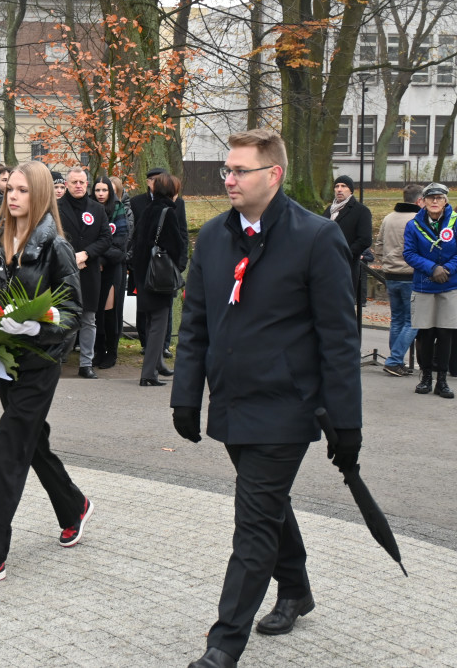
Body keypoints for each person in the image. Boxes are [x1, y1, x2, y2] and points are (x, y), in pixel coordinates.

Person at [171, 129, 362, 668]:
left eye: (239, 171)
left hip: (287, 406)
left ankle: (223, 644)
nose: (227, 178)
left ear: (272, 175)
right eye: (227, 170)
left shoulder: (316, 237)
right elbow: (197, 325)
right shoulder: (210, 237)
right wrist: (186, 396)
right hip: (231, 403)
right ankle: (297, 589)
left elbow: (340, 337)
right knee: (268, 503)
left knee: (252, 521)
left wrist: (347, 424)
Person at [0, 160, 91, 587]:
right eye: (8, 188)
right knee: (31, 441)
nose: (12, 196)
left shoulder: (57, 247)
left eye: (21, 190)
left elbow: (73, 311)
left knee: (9, 446)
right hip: (5, 359)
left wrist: (41, 321)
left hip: (42, 360)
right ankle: (73, 506)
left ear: (40, 196)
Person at [57, 167, 112, 379]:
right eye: (74, 182)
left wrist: (86, 254)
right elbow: (51, 236)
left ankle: (86, 364)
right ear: (67, 185)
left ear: (86, 184)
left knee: (89, 318)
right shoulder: (56, 207)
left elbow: (106, 238)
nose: (78, 186)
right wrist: (71, 256)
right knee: (63, 316)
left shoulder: (97, 209)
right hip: (63, 271)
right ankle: (59, 357)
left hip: (89, 272)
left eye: (82, 182)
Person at [404, 182, 457, 398]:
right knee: (425, 334)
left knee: (445, 334)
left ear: (445, 201)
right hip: (424, 286)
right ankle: (426, 377)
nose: (435, 201)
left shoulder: (455, 223)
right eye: (431, 198)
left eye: (439, 198)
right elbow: (409, 253)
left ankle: (441, 381)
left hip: (449, 285)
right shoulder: (413, 225)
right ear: (423, 202)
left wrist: (447, 269)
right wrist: (432, 268)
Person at [129, 167, 188, 359]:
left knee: (153, 321)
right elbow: (176, 244)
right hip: (160, 273)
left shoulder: (150, 210)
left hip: (144, 271)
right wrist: (177, 268)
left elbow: (135, 240)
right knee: (159, 322)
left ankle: (156, 363)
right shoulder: (166, 211)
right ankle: (150, 370)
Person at [373, 183, 422, 377]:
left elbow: (378, 245)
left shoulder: (388, 218)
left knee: (397, 320)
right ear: (419, 200)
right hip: (411, 275)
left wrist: (386, 261)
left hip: (391, 274)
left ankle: (396, 360)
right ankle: (394, 360)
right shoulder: (418, 219)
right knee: (413, 321)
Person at [91, 175, 129, 369]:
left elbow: (120, 243)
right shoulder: (91, 210)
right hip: (93, 267)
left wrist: (101, 257)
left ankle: (111, 351)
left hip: (113, 267)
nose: (100, 194)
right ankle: (98, 351)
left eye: (104, 190)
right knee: (96, 311)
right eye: (97, 190)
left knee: (110, 312)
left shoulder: (118, 209)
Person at [322, 174, 373, 302]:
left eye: (343, 186)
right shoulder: (329, 210)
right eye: (337, 186)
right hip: (325, 266)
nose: (339, 189)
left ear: (350, 190)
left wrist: (346, 253)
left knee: (343, 305)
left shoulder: (361, 211)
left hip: (346, 266)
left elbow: (365, 239)